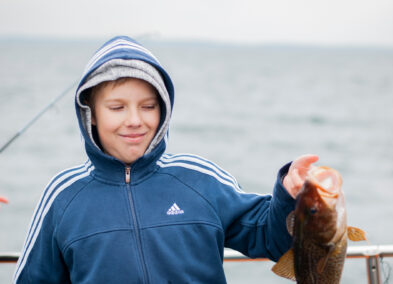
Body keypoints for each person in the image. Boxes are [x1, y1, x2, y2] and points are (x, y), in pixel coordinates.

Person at [14, 36, 318, 283]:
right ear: (90, 114)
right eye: (117, 107)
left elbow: (275, 241)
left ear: (163, 110)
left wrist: (291, 198)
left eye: (148, 106)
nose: (134, 120)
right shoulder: (63, 196)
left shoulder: (201, 179)